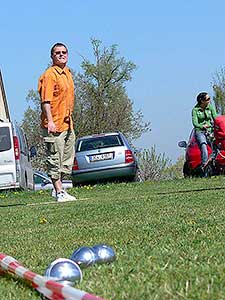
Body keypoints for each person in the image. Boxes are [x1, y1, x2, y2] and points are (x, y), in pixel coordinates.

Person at [38, 42, 76, 202]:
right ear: (52, 56)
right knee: (54, 158)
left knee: (65, 159)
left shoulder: (67, 73)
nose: (61, 54)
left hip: (67, 124)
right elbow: (46, 100)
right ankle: (59, 192)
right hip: (54, 124)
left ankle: (57, 189)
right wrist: (50, 121)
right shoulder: (49, 75)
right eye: (57, 52)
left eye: (64, 52)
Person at [192, 92, 218, 172]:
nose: (209, 101)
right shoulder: (195, 110)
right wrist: (202, 126)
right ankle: (204, 166)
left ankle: (214, 164)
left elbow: (216, 118)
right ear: (202, 101)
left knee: (217, 147)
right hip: (200, 131)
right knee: (203, 146)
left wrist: (218, 125)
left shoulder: (210, 107)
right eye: (207, 99)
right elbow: (195, 123)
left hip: (210, 131)